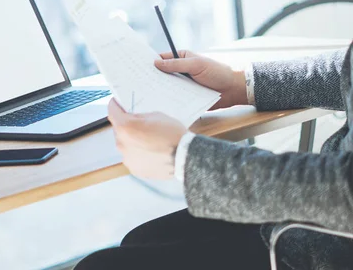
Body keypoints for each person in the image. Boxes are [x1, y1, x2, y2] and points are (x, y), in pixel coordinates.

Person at [75, 44, 353, 270]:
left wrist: (185, 158)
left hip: (326, 247)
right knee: (141, 240)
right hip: (313, 227)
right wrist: (239, 84)